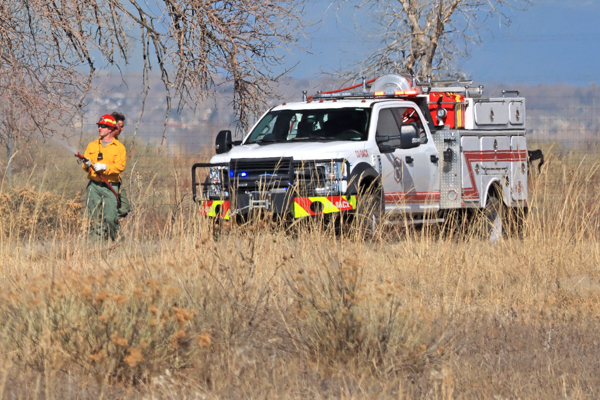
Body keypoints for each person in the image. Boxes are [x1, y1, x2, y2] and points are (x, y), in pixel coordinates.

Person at [82, 114, 127, 240]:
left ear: (111, 128)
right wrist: (86, 165)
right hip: (94, 186)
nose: (100, 128)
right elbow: (85, 166)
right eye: (99, 126)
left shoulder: (119, 148)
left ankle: (118, 243)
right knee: (95, 219)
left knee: (111, 218)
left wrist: (105, 168)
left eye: (103, 126)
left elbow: (120, 166)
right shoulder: (91, 146)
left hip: (110, 186)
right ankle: (96, 247)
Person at [111, 111, 131, 218]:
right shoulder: (105, 142)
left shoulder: (118, 143)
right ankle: (109, 220)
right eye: (121, 126)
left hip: (117, 182)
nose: (122, 129)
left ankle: (111, 220)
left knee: (125, 208)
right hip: (110, 182)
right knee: (123, 208)